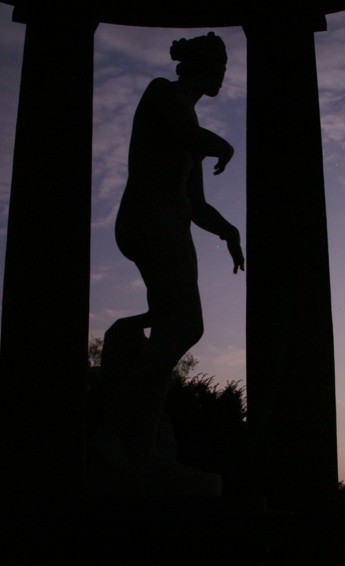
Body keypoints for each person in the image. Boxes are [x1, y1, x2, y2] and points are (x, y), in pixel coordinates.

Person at [91, 32, 243, 493]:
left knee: (174, 326)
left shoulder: (189, 118)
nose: (221, 73)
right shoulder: (163, 94)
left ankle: (142, 447)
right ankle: (112, 429)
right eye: (216, 64)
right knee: (185, 325)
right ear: (196, 65)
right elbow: (186, 135)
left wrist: (229, 232)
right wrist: (222, 146)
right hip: (149, 222)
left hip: (170, 225)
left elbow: (195, 203)